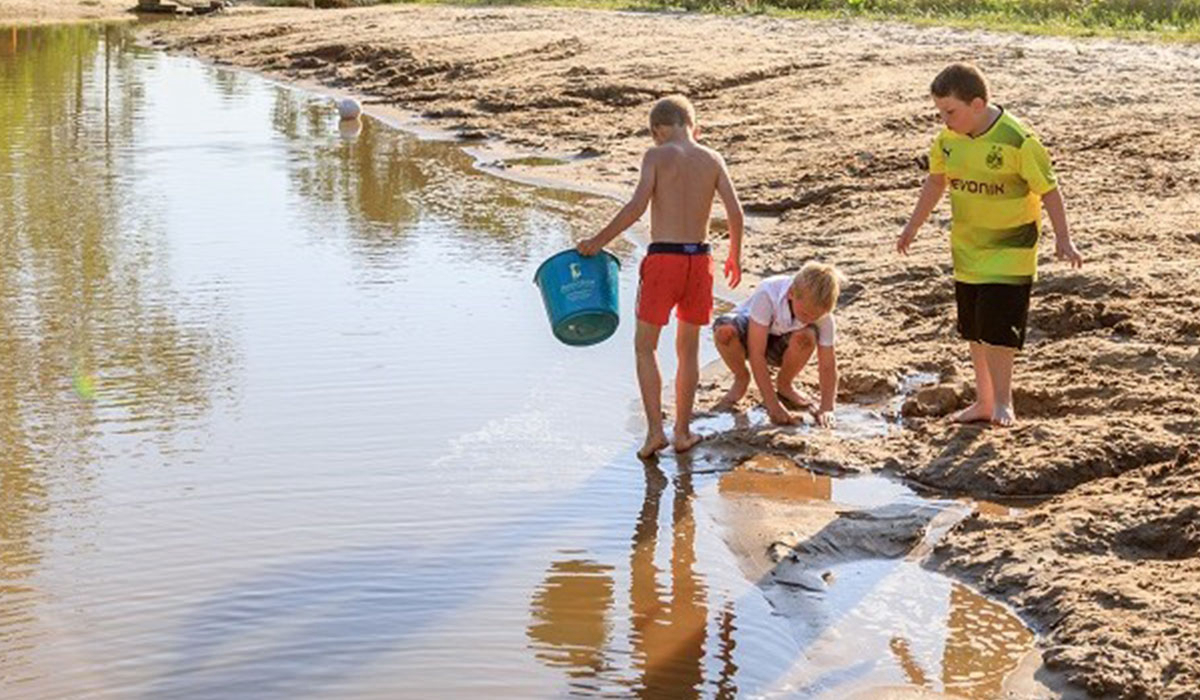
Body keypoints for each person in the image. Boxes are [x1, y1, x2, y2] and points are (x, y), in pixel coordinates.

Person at [897, 63, 1083, 427]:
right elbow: (936, 182)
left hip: (1011, 252)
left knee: (998, 330)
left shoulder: (1018, 140)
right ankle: (984, 402)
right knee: (975, 330)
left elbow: (1049, 190)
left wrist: (1064, 238)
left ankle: (1003, 402)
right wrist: (912, 225)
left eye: (950, 112)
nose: (945, 120)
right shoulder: (947, 141)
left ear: (978, 104)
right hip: (967, 251)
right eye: (940, 113)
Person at [577, 95, 744, 458]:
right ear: (694, 127)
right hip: (699, 260)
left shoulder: (655, 156)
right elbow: (736, 213)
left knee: (645, 346)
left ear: (657, 131)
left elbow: (636, 207)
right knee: (688, 350)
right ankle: (682, 432)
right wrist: (735, 256)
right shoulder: (712, 158)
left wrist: (597, 242)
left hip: (664, 260)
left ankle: (655, 431)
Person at [712, 262, 843, 427]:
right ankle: (741, 378)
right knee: (724, 333)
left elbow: (828, 365)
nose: (809, 319)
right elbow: (756, 353)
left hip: (781, 346)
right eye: (805, 314)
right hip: (751, 335)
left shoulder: (823, 316)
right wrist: (772, 405)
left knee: (806, 336)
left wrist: (827, 408)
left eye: (815, 317)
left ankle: (785, 384)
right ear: (791, 293)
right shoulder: (767, 293)